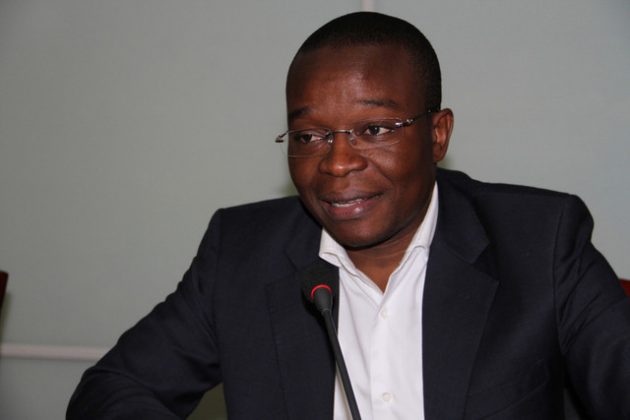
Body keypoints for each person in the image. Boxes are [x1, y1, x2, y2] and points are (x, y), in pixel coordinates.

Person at [68, 12, 630, 420]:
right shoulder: (240, 253)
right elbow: (112, 389)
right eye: (309, 136)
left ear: (437, 135)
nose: (337, 162)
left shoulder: (540, 240)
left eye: (374, 129)